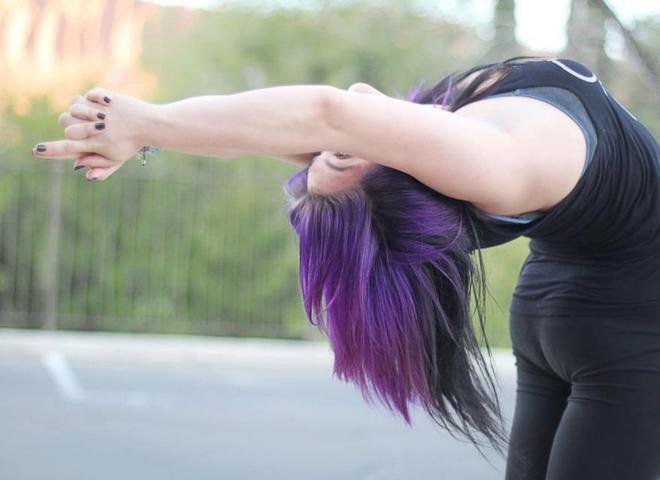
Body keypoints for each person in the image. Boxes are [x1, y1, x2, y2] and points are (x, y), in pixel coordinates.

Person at [32, 55, 660, 479]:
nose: (356, 118)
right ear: (399, 176)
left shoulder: (441, 149)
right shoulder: (490, 162)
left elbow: (292, 128)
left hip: (562, 312)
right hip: (630, 332)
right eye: (339, 154)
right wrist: (146, 122)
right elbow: (328, 115)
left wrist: (153, 130)